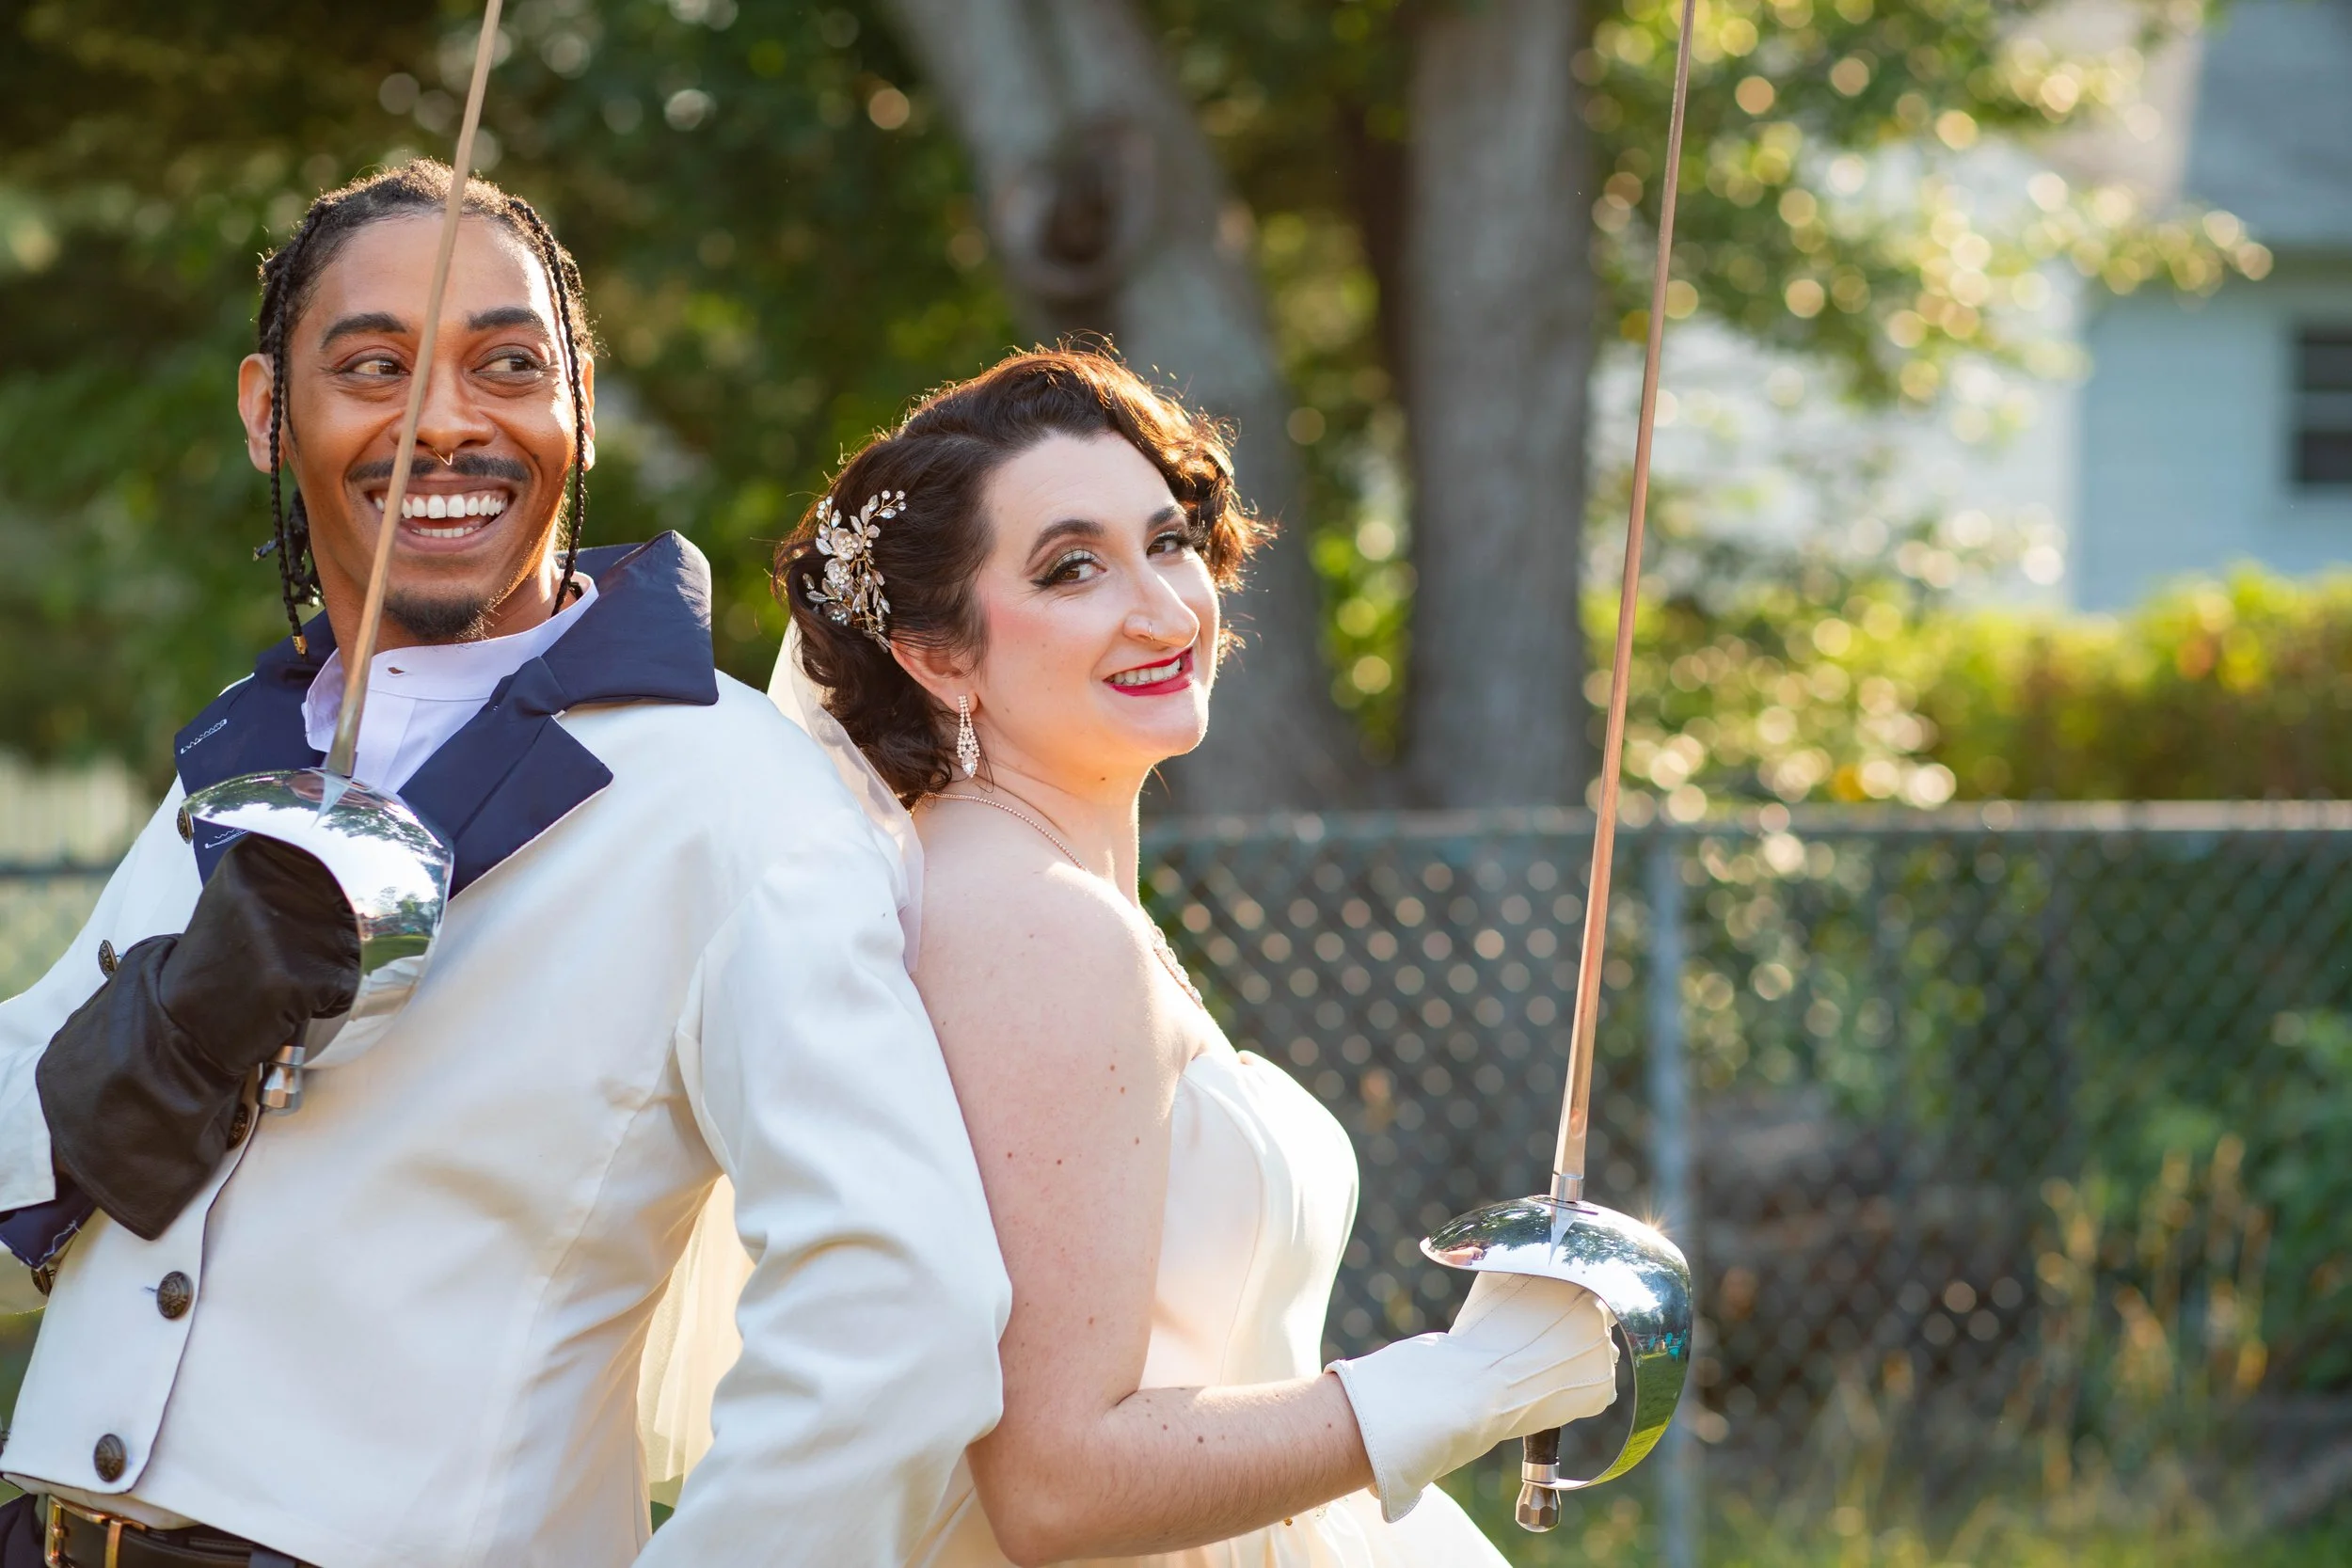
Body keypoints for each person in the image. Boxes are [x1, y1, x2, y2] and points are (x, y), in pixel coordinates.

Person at [0, 160, 1009, 1568]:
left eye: (509, 364)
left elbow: (907, 1311)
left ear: (577, 400)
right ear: (264, 413)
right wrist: (166, 1029)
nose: (447, 421)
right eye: (372, 366)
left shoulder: (734, 797)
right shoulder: (227, 767)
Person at [765, 348, 1621, 1566]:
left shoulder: (1017, 882)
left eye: (1166, 542)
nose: (1166, 610)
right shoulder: (1032, 919)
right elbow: (1056, 1481)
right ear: (937, 653)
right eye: (1072, 569)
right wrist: (1464, 1381)